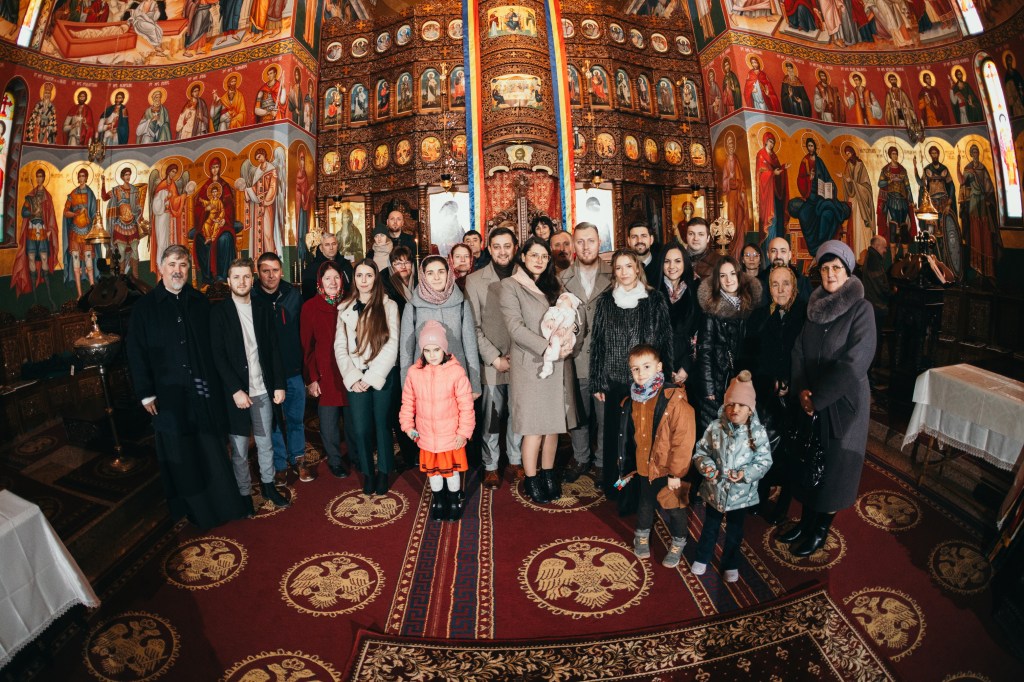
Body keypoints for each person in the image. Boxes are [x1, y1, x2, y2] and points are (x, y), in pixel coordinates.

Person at [126, 245, 249, 530]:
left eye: (182, 265)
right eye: (172, 264)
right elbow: (135, 352)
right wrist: (145, 393)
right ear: (160, 268)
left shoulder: (199, 302)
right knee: (183, 455)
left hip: (203, 393)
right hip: (168, 396)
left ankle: (224, 505)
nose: (177, 270)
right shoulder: (144, 308)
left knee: (210, 450)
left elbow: (214, 347)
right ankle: (195, 511)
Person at [783, 240, 875, 556]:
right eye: (825, 268)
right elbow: (798, 350)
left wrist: (817, 399)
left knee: (834, 471)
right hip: (811, 401)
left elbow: (855, 362)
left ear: (847, 272)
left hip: (843, 405)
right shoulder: (815, 308)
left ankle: (820, 530)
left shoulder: (861, 309)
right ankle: (806, 521)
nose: (830, 273)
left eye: (836, 267)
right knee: (812, 462)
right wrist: (801, 390)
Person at [500, 237, 582, 503]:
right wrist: (547, 347)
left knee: (553, 426)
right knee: (534, 427)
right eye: (533, 255)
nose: (539, 260)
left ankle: (548, 474)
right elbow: (515, 328)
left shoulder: (555, 284)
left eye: (544, 256)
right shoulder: (510, 286)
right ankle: (532, 478)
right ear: (523, 257)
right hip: (531, 364)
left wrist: (569, 337)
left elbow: (571, 316)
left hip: (557, 364)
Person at [590, 249, 673, 498]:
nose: (624, 272)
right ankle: (617, 489)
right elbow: (598, 343)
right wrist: (597, 381)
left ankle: (642, 491)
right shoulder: (605, 301)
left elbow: (665, 340)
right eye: (618, 267)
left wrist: (666, 380)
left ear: (638, 268)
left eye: (628, 266)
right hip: (615, 382)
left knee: (642, 439)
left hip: (647, 384)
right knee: (617, 439)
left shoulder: (654, 299)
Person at [211, 258, 290, 512]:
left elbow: (274, 349)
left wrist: (279, 384)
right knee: (240, 449)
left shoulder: (263, 308)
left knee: (266, 442)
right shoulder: (219, 313)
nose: (242, 281)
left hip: (263, 389)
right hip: (237, 393)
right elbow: (218, 355)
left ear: (252, 279)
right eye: (236, 277)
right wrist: (235, 390)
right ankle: (244, 493)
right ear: (228, 281)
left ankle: (268, 484)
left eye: (246, 276)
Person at [618, 345, 696, 568]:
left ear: (659, 367)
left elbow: (683, 441)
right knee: (645, 502)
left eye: (646, 367)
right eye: (635, 369)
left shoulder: (674, 400)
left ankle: (679, 540)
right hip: (645, 465)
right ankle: (641, 534)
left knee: (675, 507)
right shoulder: (633, 399)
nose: (640, 373)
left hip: (669, 469)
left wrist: (676, 473)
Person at [689, 370, 771, 582]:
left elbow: (764, 461)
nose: (735, 410)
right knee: (710, 526)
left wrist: (745, 473)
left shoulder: (758, 432)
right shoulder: (715, 427)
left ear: (750, 409)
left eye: (741, 405)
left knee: (735, 531)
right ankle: (703, 557)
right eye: (731, 404)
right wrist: (706, 467)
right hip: (715, 490)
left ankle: (731, 563)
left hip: (741, 494)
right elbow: (701, 452)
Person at [743, 266, 806, 524]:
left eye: (786, 284)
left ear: (794, 287)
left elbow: (806, 355)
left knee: (790, 450)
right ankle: (760, 492)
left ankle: (783, 503)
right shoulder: (760, 315)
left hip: (795, 395)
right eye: (775, 284)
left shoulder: (804, 314)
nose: (780, 289)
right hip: (765, 393)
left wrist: (790, 381)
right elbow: (751, 354)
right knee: (763, 445)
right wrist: (768, 381)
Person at [334, 259, 401, 494]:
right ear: (354, 279)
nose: (364, 280)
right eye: (359, 275)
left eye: (369, 275)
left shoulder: (389, 305)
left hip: (381, 374)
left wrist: (371, 377)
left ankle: (383, 471)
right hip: (355, 376)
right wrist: (353, 377)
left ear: (376, 278)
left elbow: (392, 344)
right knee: (361, 429)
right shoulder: (344, 308)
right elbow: (340, 346)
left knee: (382, 426)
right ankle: (367, 472)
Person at [465, 226, 524, 488]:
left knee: (519, 412)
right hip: (492, 361)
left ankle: (516, 458)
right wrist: (494, 358)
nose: (502, 252)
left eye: (507, 246)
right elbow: (473, 326)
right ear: (489, 249)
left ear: (515, 248)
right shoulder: (475, 280)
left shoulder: (526, 276)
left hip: (523, 359)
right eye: (496, 246)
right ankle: (490, 464)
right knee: (492, 417)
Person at [400, 321, 476, 521]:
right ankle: (439, 500)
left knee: (451, 472)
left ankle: (453, 499)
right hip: (426, 436)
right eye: (427, 350)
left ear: (444, 349)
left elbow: (466, 406)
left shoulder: (456, 372)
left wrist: (463, 432)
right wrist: (407, 426)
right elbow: (408, 402)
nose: (432, 355)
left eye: (436, 350)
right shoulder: (414, 373)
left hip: (450, 436)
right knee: (433, 473)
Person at [251, 253, 309, 484]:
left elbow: (302, 332)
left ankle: (299, 458)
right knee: (274, 422)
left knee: (296, 418)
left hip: (293, 370)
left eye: (275, 270)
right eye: (266, 271)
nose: (271, 275)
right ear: (258, 273)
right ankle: (280, 465)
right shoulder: (252, 297)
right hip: (267, 374)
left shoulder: (293, 295)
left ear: (281, 271)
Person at [695, 257, 762, 435]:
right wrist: (709, 388)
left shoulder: (749, 306)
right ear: (718, 280)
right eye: (723, 275)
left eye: (732, 274)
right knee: (718, 433)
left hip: (743, 378)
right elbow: (705, 351)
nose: (729, 279)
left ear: (739, 276)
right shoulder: (711, 310)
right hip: (719, 380)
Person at [400, 254, 481, 398]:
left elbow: (470, 347)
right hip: (423, 384)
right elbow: (406, 353)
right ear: (423, 276)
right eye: (430, 273)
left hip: (457, 382)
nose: (436, 277)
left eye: (441, 272)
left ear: (448, 274)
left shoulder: (461, 305)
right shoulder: (412, 307)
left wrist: (474, 385)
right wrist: (406, 388)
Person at [300, 261, 351, 480]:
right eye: (327, 278)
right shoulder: (310, 307)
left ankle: (356, 456)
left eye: (336, 277)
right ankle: (335, 461)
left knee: (353, 422)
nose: (332, 282)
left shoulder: (350, 302)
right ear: (320, 282)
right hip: (325, 373)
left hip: (350, 372)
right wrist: (312, 378)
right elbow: (307, 347)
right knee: (329, 424)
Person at [788, 136, 850, 257]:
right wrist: (809, 178)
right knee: (804, 214)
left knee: (828, 212)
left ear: (815, 147)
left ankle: (824, 246)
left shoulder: (819, 161)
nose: (810, 148)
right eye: (808, 146)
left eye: (812, 146)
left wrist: (831, 186)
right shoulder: (805, 161)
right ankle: (816, 248)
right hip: (811, 197)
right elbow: (800, 180)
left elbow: (827, 178)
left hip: (823, 196)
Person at [11, 169, 60, 297]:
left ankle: (49, 295)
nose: (39, 179)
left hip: (42, 232)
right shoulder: (30, 195)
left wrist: (50, 230)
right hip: (31, 231)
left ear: (44, 178)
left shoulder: (47, 197)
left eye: (41, 176)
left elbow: (51, 215)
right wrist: (32, 211)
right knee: (31, 258)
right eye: (37, 177)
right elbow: (23, 212)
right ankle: (35, 296)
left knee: (44, 258)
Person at [957, 144, 1001, 280]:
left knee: (986, 232)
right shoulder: (968, 168)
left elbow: (989, 187)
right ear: (971, 154)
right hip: (973, 203)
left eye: (977, 152)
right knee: (975, 232)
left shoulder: (983, 168)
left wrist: (989, 199)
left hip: (983, 202)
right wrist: (957, 165)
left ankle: (988, 269)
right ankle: (977, 269)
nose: (975, 154)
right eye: (973, 152)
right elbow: (962, 182)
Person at [62, 168, 97, 298]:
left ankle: (92, 292)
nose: (81, 178)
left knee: (89, 262)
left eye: (83, 176)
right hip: (75, 232)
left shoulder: (90, 193)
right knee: (76, 263)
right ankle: (80, 295)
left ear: (86, 178)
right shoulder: (73, 194)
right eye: (80, 176)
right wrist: (76, 213)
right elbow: (66, 212)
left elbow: (94, 213)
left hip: (87, 232)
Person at [876, 146, 916, 257]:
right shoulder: (885, 170)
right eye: (893, 154)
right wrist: (890, 180)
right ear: (890, 155)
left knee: (903, 228)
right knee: (893, 227)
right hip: (891, 200)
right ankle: (893, 260)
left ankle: (905, 258)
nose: (895, 156)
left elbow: (907, 186)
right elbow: (880, 183)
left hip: (902, 201)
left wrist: (911, 200)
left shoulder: (903, 170)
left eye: (896, 153)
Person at [755, 132, 789, 252]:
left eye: (773, 142)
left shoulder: (774, 156)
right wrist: (772, 173)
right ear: (765, 141)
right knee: (771, 221)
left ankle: (777, 248)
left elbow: (777, 170)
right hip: (766, 194)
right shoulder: (761, 155)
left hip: (775, 193)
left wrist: (783, 169)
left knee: (777, 219)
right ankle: (769, 251)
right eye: (770, 141)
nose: (772, 144)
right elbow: (760, 175)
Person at [842, 145, 875, 263]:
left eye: (849, 153)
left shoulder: (860, 165)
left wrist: (853, 182)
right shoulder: (848, 165)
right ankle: (855, 255)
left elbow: (866, 186)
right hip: (853, 200)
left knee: (862, 227)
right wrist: (845, 179)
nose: (848, 156)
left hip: (862, 201)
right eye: (846, 154)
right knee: (854, 227)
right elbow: (848, 184)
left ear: (853, 153)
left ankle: (865, 254)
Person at [301, 232, 354, 302]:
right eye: (327, 245)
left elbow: (353, 288)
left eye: (333, 244)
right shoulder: (312, 269)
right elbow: (308, 296)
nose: (331, 248)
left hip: (346, 303)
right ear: (321, 248)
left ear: (337, 245)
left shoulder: (345, 264)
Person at [761, 237, 812, 302]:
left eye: (783, 251)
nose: (778, 256)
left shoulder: (803, 282)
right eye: (773, 251)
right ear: (768, 255)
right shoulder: (759, 281)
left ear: (790, 255)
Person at [383, 246, 415, 317]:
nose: (403, 267)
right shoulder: (384, 284)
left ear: (412, 264)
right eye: (398, 264)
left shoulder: (419, 280)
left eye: (407, 262)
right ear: (391, 266)